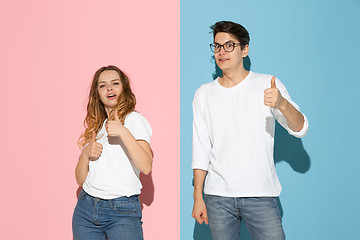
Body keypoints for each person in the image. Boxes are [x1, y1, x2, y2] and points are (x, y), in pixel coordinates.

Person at [191, 21, 309, 240]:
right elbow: (200, 149)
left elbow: (300, 128)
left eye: (229, 45)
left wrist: (283, 104)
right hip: (218, 197)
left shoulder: (267, 84)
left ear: (244, 49)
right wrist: (198, 196)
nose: (221, 52)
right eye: (217, 46)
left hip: (260, 194)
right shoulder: (203, 94)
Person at [72, 65, 153, 240]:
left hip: (122, 211)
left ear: (123, 88)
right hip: (86, 209)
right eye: (102, 85)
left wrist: (123, 132)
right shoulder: (97, 127)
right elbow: (80, 179)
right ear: (97, 94)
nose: (109, 88)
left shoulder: (134, 120)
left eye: (115, 83)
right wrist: (85, 154)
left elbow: (146, 166)